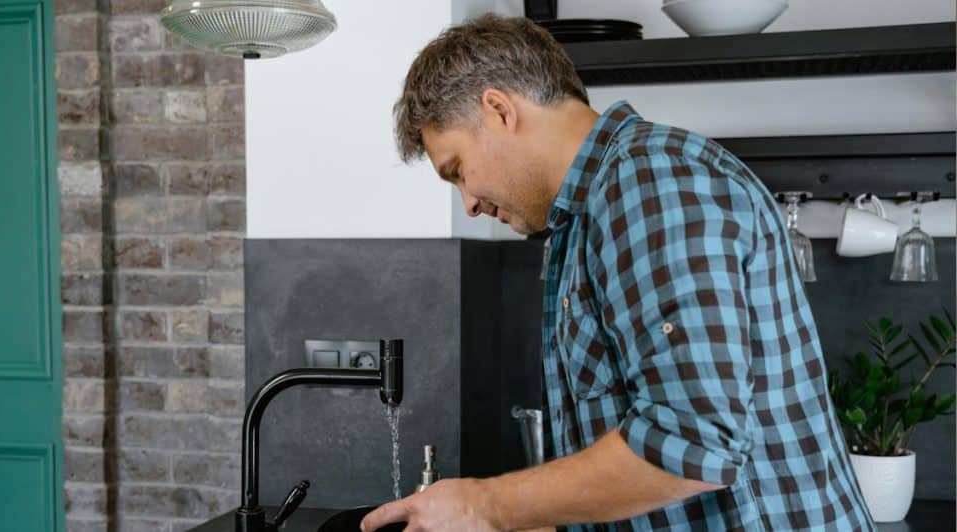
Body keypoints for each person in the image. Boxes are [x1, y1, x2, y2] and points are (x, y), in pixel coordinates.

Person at [361, 14, 876, 532]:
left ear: (498, 111)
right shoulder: (582, 220)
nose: (468, 202)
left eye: (457, 170)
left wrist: (486, 505)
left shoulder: (650, 182)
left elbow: (694, 443)